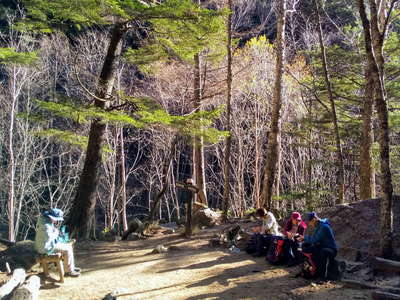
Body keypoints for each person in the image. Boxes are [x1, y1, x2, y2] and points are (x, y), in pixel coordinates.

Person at [34, 208, 81, 277]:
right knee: (68, 248)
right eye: (56, 218)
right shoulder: (46, 225)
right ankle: (69, 271)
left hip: (45, 245)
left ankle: (71, 268)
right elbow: (49, 238)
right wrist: (56, 232)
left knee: (68, 246)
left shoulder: (45, 221)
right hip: (45, 248)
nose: (56, 220)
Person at [298, 212, 338, 280]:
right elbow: (314, 239)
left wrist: (304, 238)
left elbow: (315, 239)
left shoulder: (324, 227)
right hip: (323, 246)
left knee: (323, 251)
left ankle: (322, 276)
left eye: (310, 222)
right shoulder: (318, 226)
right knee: (307, 247)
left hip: (331, 249)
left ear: (314, 219)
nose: (310, 224)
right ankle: (313, 270)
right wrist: (305, 240)